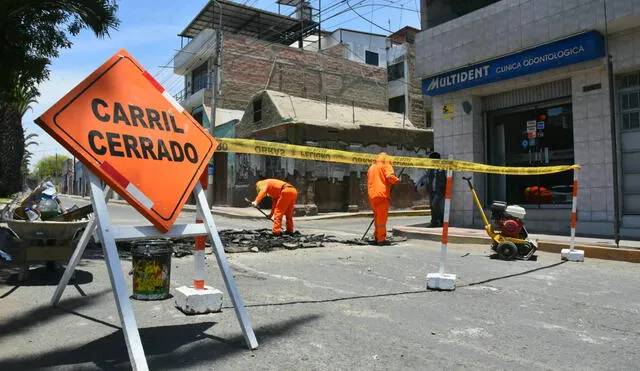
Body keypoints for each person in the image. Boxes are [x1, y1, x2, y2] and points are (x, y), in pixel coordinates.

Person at [367, 152, 400, 245]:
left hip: (372, 195)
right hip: (382, 194)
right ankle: (381, 239)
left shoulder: (372, 166)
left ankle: (376, 236)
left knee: (377, 217)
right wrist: (397, 180)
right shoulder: (386, 163)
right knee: (381, 219)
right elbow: (389, 176)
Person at [417, 152, 446, 227]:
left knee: (434, 204)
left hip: (439, 190)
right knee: (432, 206)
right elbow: (424, 176)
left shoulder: (442, 168)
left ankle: (441, 220)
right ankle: (434, 222)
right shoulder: (430, 169)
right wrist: (417, 184)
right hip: (431, 190)